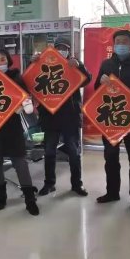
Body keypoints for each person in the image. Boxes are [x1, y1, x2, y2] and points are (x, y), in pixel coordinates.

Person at [94, 30, 130, 211]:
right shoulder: (107, 64)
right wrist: (100, 82)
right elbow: (97, 90)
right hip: (111, 118)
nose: (121, 45)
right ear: (113, 44)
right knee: (110, 157)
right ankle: (112, 192)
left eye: (125, 41)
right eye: (118, 41)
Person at [0, 49, 39, 216]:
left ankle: (30, 199)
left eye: (3, 59)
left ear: (8, 61)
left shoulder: (16, 77)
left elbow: (26, 98)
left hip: (12, 127)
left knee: (20, 162)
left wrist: (23, 105)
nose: (0, 63)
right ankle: (1, 196)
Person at [35, 37, 91, 197]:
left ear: (69, 51)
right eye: (59, 48)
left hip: (70, 117)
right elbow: (31, 81)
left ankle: (77, 184)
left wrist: (79, 66)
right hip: (50, 117)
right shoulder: (44, 64)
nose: (61, 51)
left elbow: (87, 79)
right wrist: (34, 63)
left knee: (73, 152)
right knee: (49, 152)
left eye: (65, 48)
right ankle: (49, 184)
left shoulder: (73, 65)